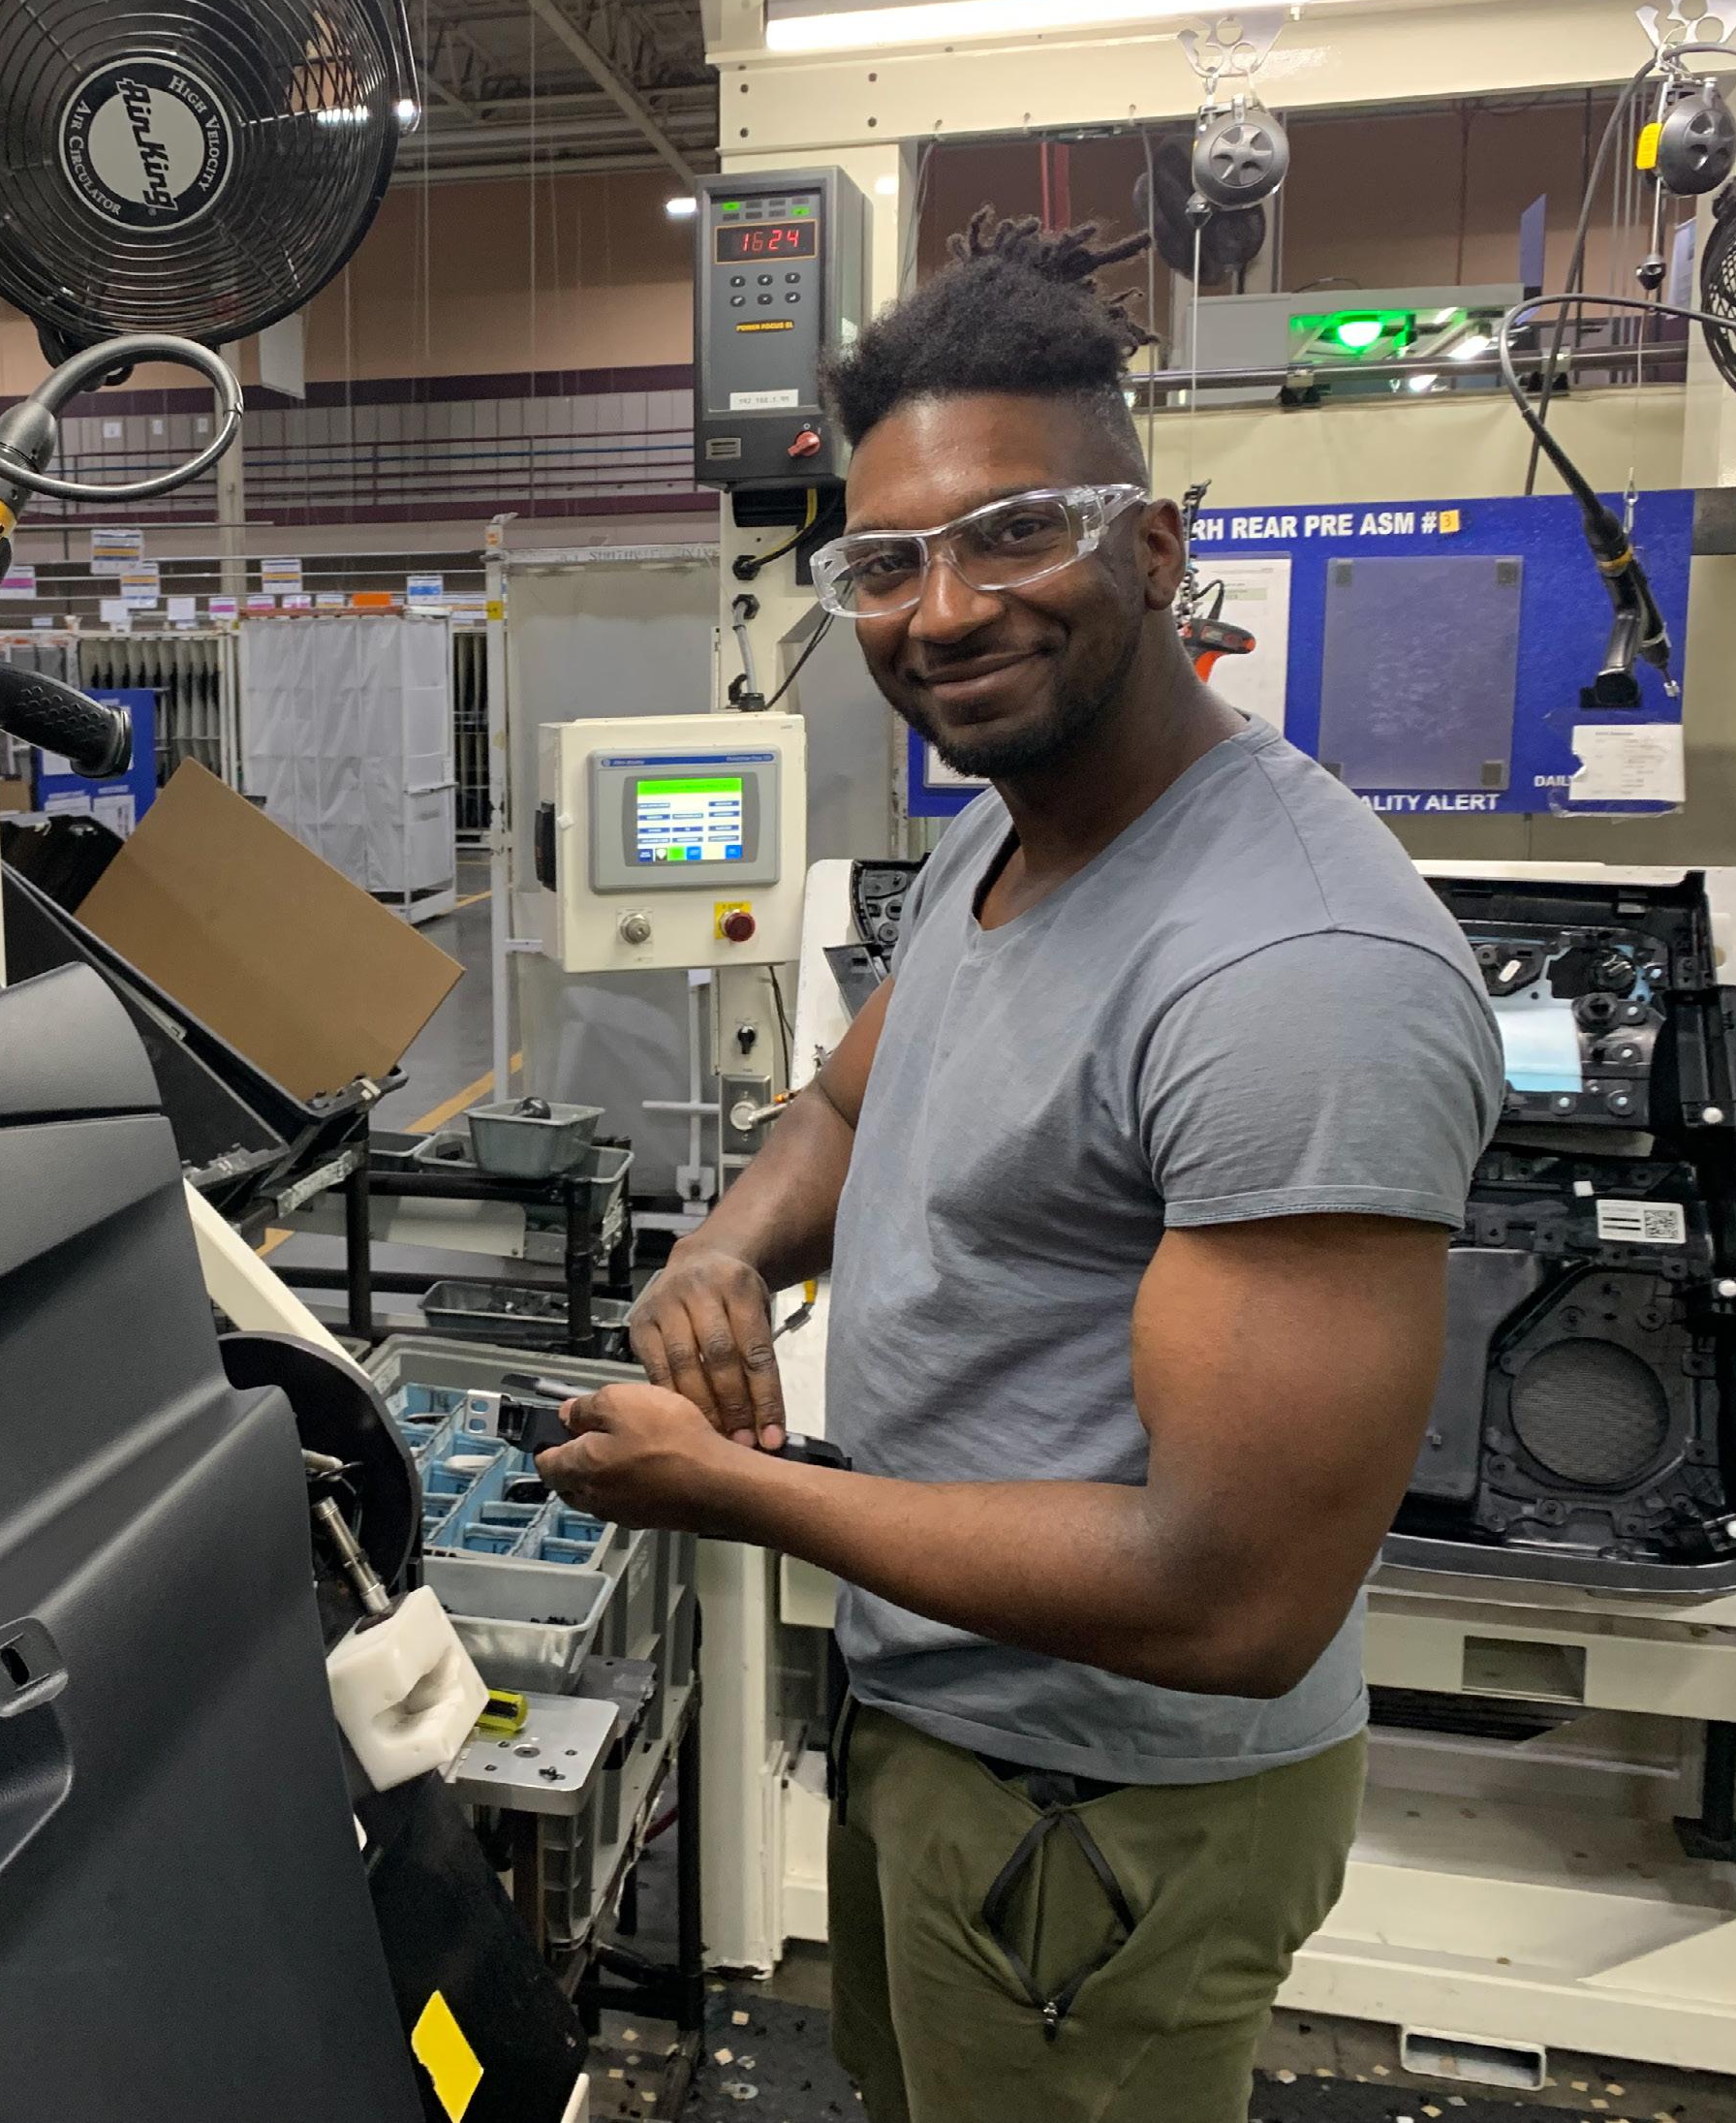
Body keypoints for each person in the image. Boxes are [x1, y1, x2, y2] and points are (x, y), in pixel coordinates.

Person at [534, 212, 1503, 2123]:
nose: (944, 609)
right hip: (942, 1723)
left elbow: (1230, 1598)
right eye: (885, 562)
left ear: (1152, 547)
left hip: (1102, 1803)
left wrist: (737, 1490)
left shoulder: (1293, 969)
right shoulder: (1006, 838)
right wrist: (719, 1254)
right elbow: (844, 1104)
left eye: (1011, 533)